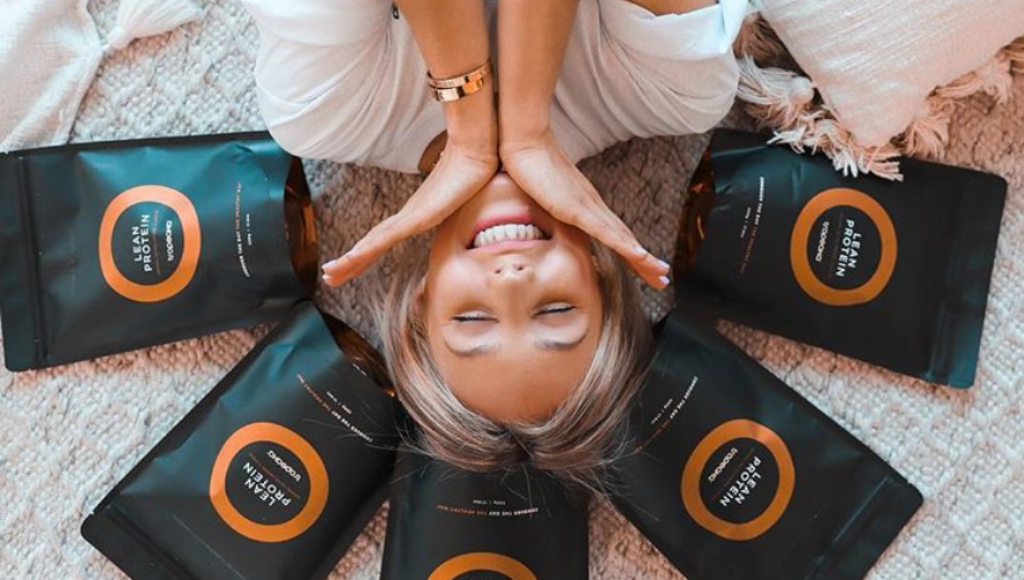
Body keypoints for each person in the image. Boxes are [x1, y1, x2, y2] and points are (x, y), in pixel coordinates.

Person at [241, 0, 744, 486]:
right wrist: (525, 129)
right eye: (555, 311)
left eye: (472, 319)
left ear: (422, 303)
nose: (511, 282)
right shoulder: (676, 96)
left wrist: (471, 134)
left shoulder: (321, 112)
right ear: (602, 282)